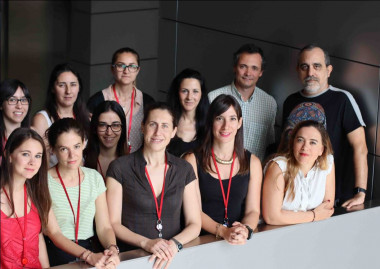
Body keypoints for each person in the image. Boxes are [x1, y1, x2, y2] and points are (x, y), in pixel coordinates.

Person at [106, 102, 201, 269]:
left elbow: (195, 223)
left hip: (174, 258)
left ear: (173, 131)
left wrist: (173, 245)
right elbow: (113, 223)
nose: (158, 132)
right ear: (143, 127)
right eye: (153, 124)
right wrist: (146, 243)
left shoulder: (184, 169)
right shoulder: (119, 167)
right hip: (132, 259)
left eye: (165, 126)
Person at [282, 44, 368, 208]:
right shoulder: (290, 101)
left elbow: (360, 147)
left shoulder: (342, 99)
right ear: (298, 70)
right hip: (292, 198)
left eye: (317, 66)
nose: (310, 73)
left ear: (328, 70)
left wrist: (360, 192)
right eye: (304, 67)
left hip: (331, 198)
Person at [184, 94, 262, 245]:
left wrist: (245, 229)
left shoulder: (253, 162)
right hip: (200, 242)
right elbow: (194, 212)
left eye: (232, 119)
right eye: (219, 118)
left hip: (237, 241)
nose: (226, 126)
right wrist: (223, 231)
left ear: (240, 123)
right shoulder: (192, 160)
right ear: (211, 122)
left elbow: (253, 211)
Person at [44, 118, 119, 267]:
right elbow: (54, 233)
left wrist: (112, 248)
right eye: (64, 149)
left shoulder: (94, 178)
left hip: (91, 249)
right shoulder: (43, 182)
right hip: (58, 252)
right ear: (52, 149)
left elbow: (104, 227)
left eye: (76, 146)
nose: (72, 155)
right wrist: (88, 256)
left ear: (84, 142)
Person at [208, 43, 277, 162]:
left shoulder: (269, 103)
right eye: (243, 66)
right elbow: (205, 138)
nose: (248, 73)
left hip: (254, 174)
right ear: (235, 67)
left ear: (261, 72)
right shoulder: (213, 97)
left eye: (254, 68)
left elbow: (269, 144)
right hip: (217, 170)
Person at [262, 120, 335, 225]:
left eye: (313, 142)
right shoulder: (278, 167)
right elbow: (272, 217)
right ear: (293, 143)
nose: (305, 147)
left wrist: (287, 216)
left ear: (321, 150)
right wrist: (314, 215)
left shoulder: (327, 163)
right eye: (300, 140)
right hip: (276, 233)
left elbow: (327, 208)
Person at [87, 47, 155, 154]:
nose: (126, 70)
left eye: (132, 66)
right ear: (112, 69)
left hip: (138, 164)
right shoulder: (97, 101)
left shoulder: (148, 102)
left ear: (138, 70)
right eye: (120, 65)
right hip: (104, 162)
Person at [1, 128, 51, 268]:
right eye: (25, 154)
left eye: (38, 156)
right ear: (8, 156)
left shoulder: (37, 192)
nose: (32, 162)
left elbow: (38, 238)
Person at [32, 63, 90, 167]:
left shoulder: (85, 117)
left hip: (81, 178)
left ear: (79, 87)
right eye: (62, 85)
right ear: (53, 88)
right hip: (54, 179)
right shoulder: (42, 119)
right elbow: (41, 163)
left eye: (73, 84)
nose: (68, 91)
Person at [166, 68, 209, 157]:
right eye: (184, 91)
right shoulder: (167, 121)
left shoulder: (210, 124)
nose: (189, 97)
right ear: (177, 93)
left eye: (195, 91)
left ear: (202, 94)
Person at [84, 101, 126, 180]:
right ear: (95, 128)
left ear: (122, 129)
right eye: (102, 125)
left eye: (115, 125)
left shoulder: (131, 163)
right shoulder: (81, 159)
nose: (109, 133)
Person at [0, 79, 32, 162]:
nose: (19, 106)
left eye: (24, 100)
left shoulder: (33, 135)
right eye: (12, 100)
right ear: (1, 105)